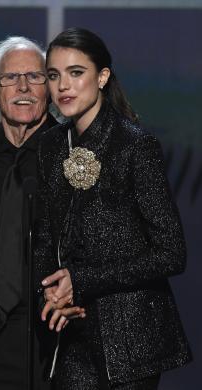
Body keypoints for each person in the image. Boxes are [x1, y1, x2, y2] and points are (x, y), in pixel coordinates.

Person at [34, 27, 192, 390]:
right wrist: (50, 290)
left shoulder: (135, 146)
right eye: (54, 75)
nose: (63, 87)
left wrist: (82, 280)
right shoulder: (51, 146)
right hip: (70, 331)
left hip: (131, 336)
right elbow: (45, 234)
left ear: (102, 77)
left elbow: (172, 253)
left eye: (76, 73)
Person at [0, 36, 82, 390]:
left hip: (53, 338)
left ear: (50, 89)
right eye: (11, 78)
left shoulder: (76, 154)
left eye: (36, 77)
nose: (23, 87)